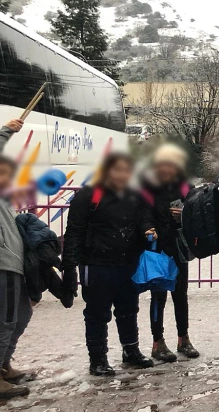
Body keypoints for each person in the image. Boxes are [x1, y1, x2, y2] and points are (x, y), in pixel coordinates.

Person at [62, 152, 157, 376]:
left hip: (127, 263)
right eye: (117, 170)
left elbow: (144, 218)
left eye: (127, 170)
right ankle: (98, 359)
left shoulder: (135, 195)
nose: (122, 175)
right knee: (97, 313)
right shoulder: (88, 196)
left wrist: (147, 229)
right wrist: (69, 267)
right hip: (96, 264)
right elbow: (74, 232)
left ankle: (130, 351)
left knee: (128, 309)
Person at [140, 143, 199, 363]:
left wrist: (183, 217)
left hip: (179, 249)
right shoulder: (148, 188)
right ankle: (158, 342)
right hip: (157, 249)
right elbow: (143, 215)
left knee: (180, 295)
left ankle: (184, 338)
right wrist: (148, 228)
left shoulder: (185, 187)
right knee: (159, 297)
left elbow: (196, 214)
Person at [0, 118, 34, 398]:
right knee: (6, 320)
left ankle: (4, 365)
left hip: (14, 265)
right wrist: (6, 132)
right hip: (4, 264)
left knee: (22, 315)